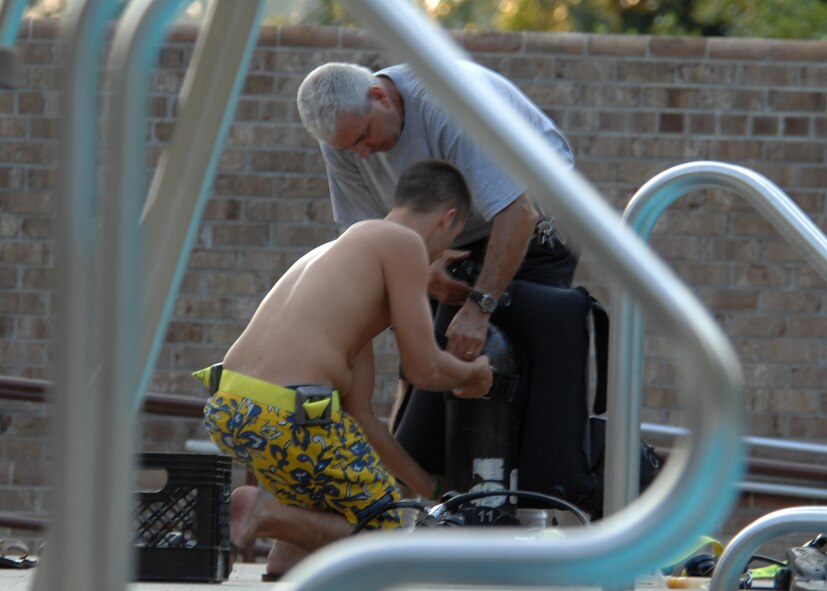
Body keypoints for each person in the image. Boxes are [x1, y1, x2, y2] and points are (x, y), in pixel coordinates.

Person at [196, 160, 493, 578]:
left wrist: (431, 489)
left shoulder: (338, 259)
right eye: (448, 244)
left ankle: (284, 548)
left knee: (312, 524)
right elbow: (424, 368)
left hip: (239, 407)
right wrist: (476, 374)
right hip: (288, 415)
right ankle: (261, 513)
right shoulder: (402, 242)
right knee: (388, 536)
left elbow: (360, 418)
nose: (440, 257)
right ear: (448, 220)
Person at [297, 61, 578, 474]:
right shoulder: (342, 139)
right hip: (450, 235)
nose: (361, 153)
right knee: (419, 371)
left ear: (379, 96)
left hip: (536, 217)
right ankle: (423, 503)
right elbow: (367, 235)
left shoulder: (446, 104)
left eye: (363, 137)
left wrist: (479, 307)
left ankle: (526, 501)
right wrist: (422, 269)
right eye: (348, 148)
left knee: (504, 365)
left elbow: (519, 215)